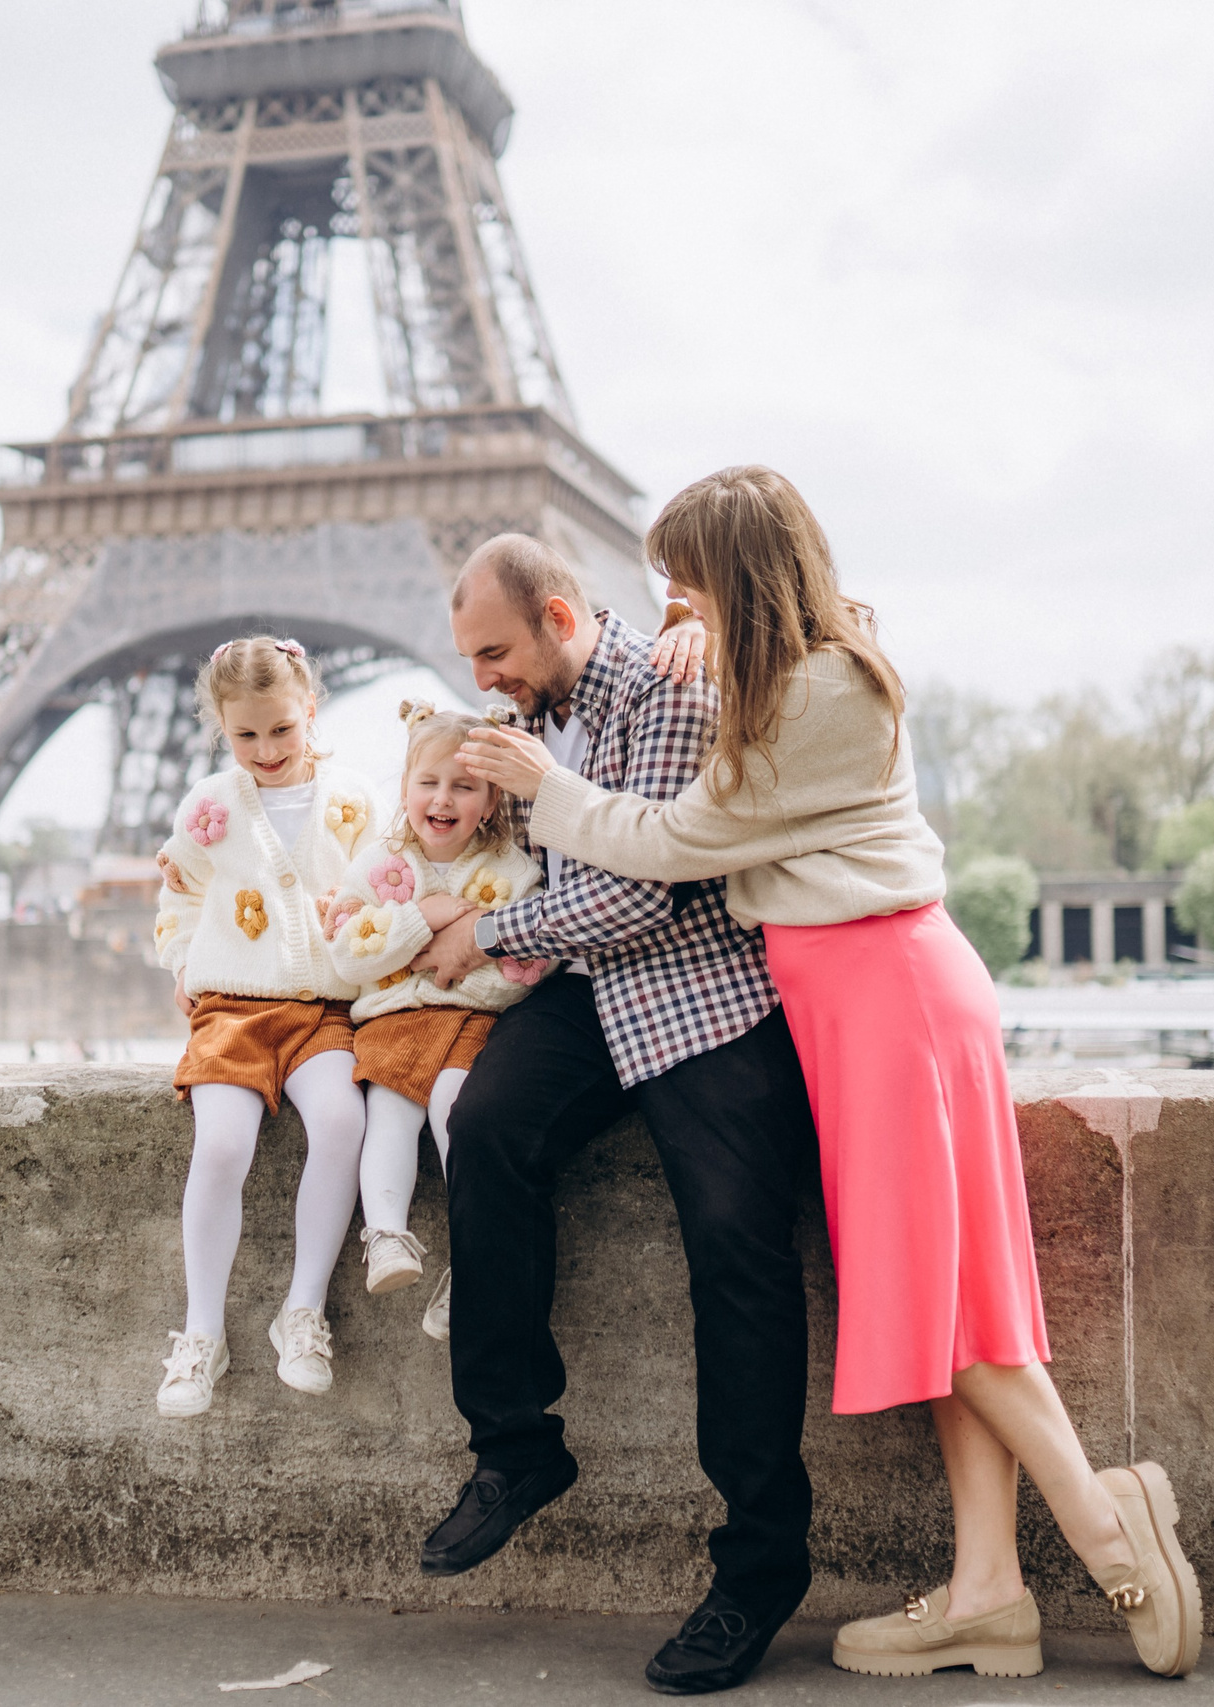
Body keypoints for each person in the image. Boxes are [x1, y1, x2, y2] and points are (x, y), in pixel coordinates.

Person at [460, 467, 1204, 1683]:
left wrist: (545, 791)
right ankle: (986, 1590)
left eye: (684, 585)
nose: (669, 606)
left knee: (942, 1308)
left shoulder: (814, 696)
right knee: (954, 1298)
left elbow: (676, 842)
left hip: (881, 995)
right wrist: (697, 634)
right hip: (855, 994)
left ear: (737, 581)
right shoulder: (805, 663)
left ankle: (1103, 1519)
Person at [410, 533, 824, 1697]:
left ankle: (757, 1566)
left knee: (738, 1262)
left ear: (557, 615)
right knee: (483, 1133)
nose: (480, 675)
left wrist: (486, 934)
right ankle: (515, 1447)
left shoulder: (672, 686)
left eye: (493, 650)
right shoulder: (528, 707)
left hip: (700, 995)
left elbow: (640, 893)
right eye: (469, 658)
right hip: (591, 991)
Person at [148, 636, 379, 1417]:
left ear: (310, 709)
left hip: (324, 1009)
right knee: (219, 1144)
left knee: (343, 1121)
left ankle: (302, 1307)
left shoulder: (354, 800)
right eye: (246, 735)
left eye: (282, 729)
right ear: (220, 726)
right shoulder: (208, 807)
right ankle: (201, 1331)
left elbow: (388, 887)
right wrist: (182, 961)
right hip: (233, 1007)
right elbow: (178, 895)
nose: (267, 749)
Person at [321, 701, 551, 1332]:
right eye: (428, 782)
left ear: (490, 799)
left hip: (472, 1023)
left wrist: (451, 962)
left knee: (458, 1110)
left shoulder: (512, 870)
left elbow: (527, 964)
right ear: (404, 789)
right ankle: (387, 1232)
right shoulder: (376, 863)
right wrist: (431, 914)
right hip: (396, 1023)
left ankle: (472, 1260)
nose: (443, 798)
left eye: (463, 785)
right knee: (389, 1115)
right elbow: (345, 946)